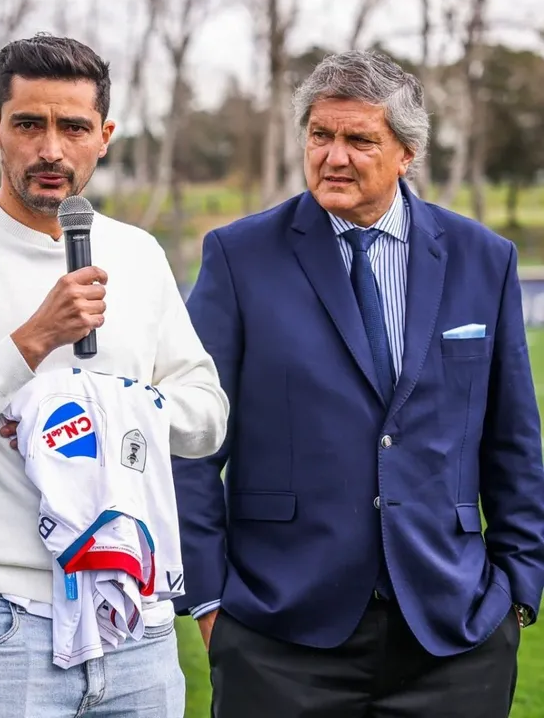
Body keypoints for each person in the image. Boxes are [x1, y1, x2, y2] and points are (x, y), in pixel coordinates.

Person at [173, 49, 544, 717]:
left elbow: (514, 442)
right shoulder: (238, 257)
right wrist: (209, 603)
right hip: (279, 636)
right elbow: (191, 438)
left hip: (453, 636)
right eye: (321, 135)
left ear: (407, 153)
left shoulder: (483, 260)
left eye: (358, 139)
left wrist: (517, 593)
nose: (334, 156)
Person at [0, 33, 229, 717]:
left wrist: (115, 405)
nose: (51, 149)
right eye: (30, 124)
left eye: (74, 127)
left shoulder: (139, 254)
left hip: (136, 622)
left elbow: (206, 416)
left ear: (106, 136)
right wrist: (31, 343)